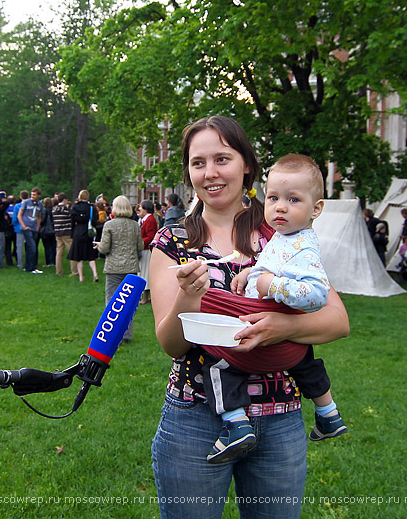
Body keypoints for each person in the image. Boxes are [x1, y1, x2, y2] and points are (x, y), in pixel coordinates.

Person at [148, 115, 349, 518]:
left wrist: (285, 327)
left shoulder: (282, 230)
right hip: (196, 418)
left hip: (281, 418)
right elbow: (171, 343)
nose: (210, 173)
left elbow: (337, 320)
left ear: (247, 165)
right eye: (198, 162)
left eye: (222, 158)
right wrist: (190, 296)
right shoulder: (173, 241)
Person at [197, 154, 345, 464]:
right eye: (274, 197)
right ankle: (328, 414)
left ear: (316, 208)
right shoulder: (286, 236)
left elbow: (316, 295)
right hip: (288, 341)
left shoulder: (305, 248)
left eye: (293, 199)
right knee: (306, 360)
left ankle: (235, 423)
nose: (280, 206)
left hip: (268, 330)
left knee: (218, 360)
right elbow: (271, 263)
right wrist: (250, 273)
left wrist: (270, 286)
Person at [97, 195, 144, 342]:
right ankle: (126, 335)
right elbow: (140, 246)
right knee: (128, 303)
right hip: (130, 266)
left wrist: (99, 245)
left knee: (112, 301)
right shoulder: (135, 225)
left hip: (113, 267)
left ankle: (110, 334)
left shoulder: (109, 225)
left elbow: (104, 248)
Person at [69, 190, 99, 282]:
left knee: (78, 257)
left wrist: (72, 232)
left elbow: (72, 220)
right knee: (91, 256)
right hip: (88, 231)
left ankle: (81, 277)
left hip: (78, 231)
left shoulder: (76, 207)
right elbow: (95, 220)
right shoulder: (91, 208)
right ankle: (95, 274)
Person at [138, 200, 158, 304]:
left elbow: (150, 236)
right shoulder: (145, 219)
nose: (139, 209)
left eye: (140, 207)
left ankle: (145, 297)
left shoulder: (150, 219)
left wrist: (139, 242)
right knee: (143, 272)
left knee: (145, 273)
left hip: (146, 250)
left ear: (145, 208)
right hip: (144, 249)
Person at [19, 188, 43, 274]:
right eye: (32, 194)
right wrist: (23, 226)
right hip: (27, 227)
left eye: (35, 195)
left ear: (39, 195)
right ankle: (32, 267)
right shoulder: (26, 202)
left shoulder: (40, 204)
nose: (33, 196)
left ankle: (28, 266)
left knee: (31, 247)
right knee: (32, 247)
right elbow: (20, 215)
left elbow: (39, 216)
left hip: (34, 227)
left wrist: (38, 226)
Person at [52, 193, 75, 276]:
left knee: (59, 252)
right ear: (65, 199)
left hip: (57, 232)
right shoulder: (66, 209)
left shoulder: (54, 209)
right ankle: (74, 271)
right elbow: (72, 215)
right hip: (66, 232)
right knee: (72, 251)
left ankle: (59, 271)